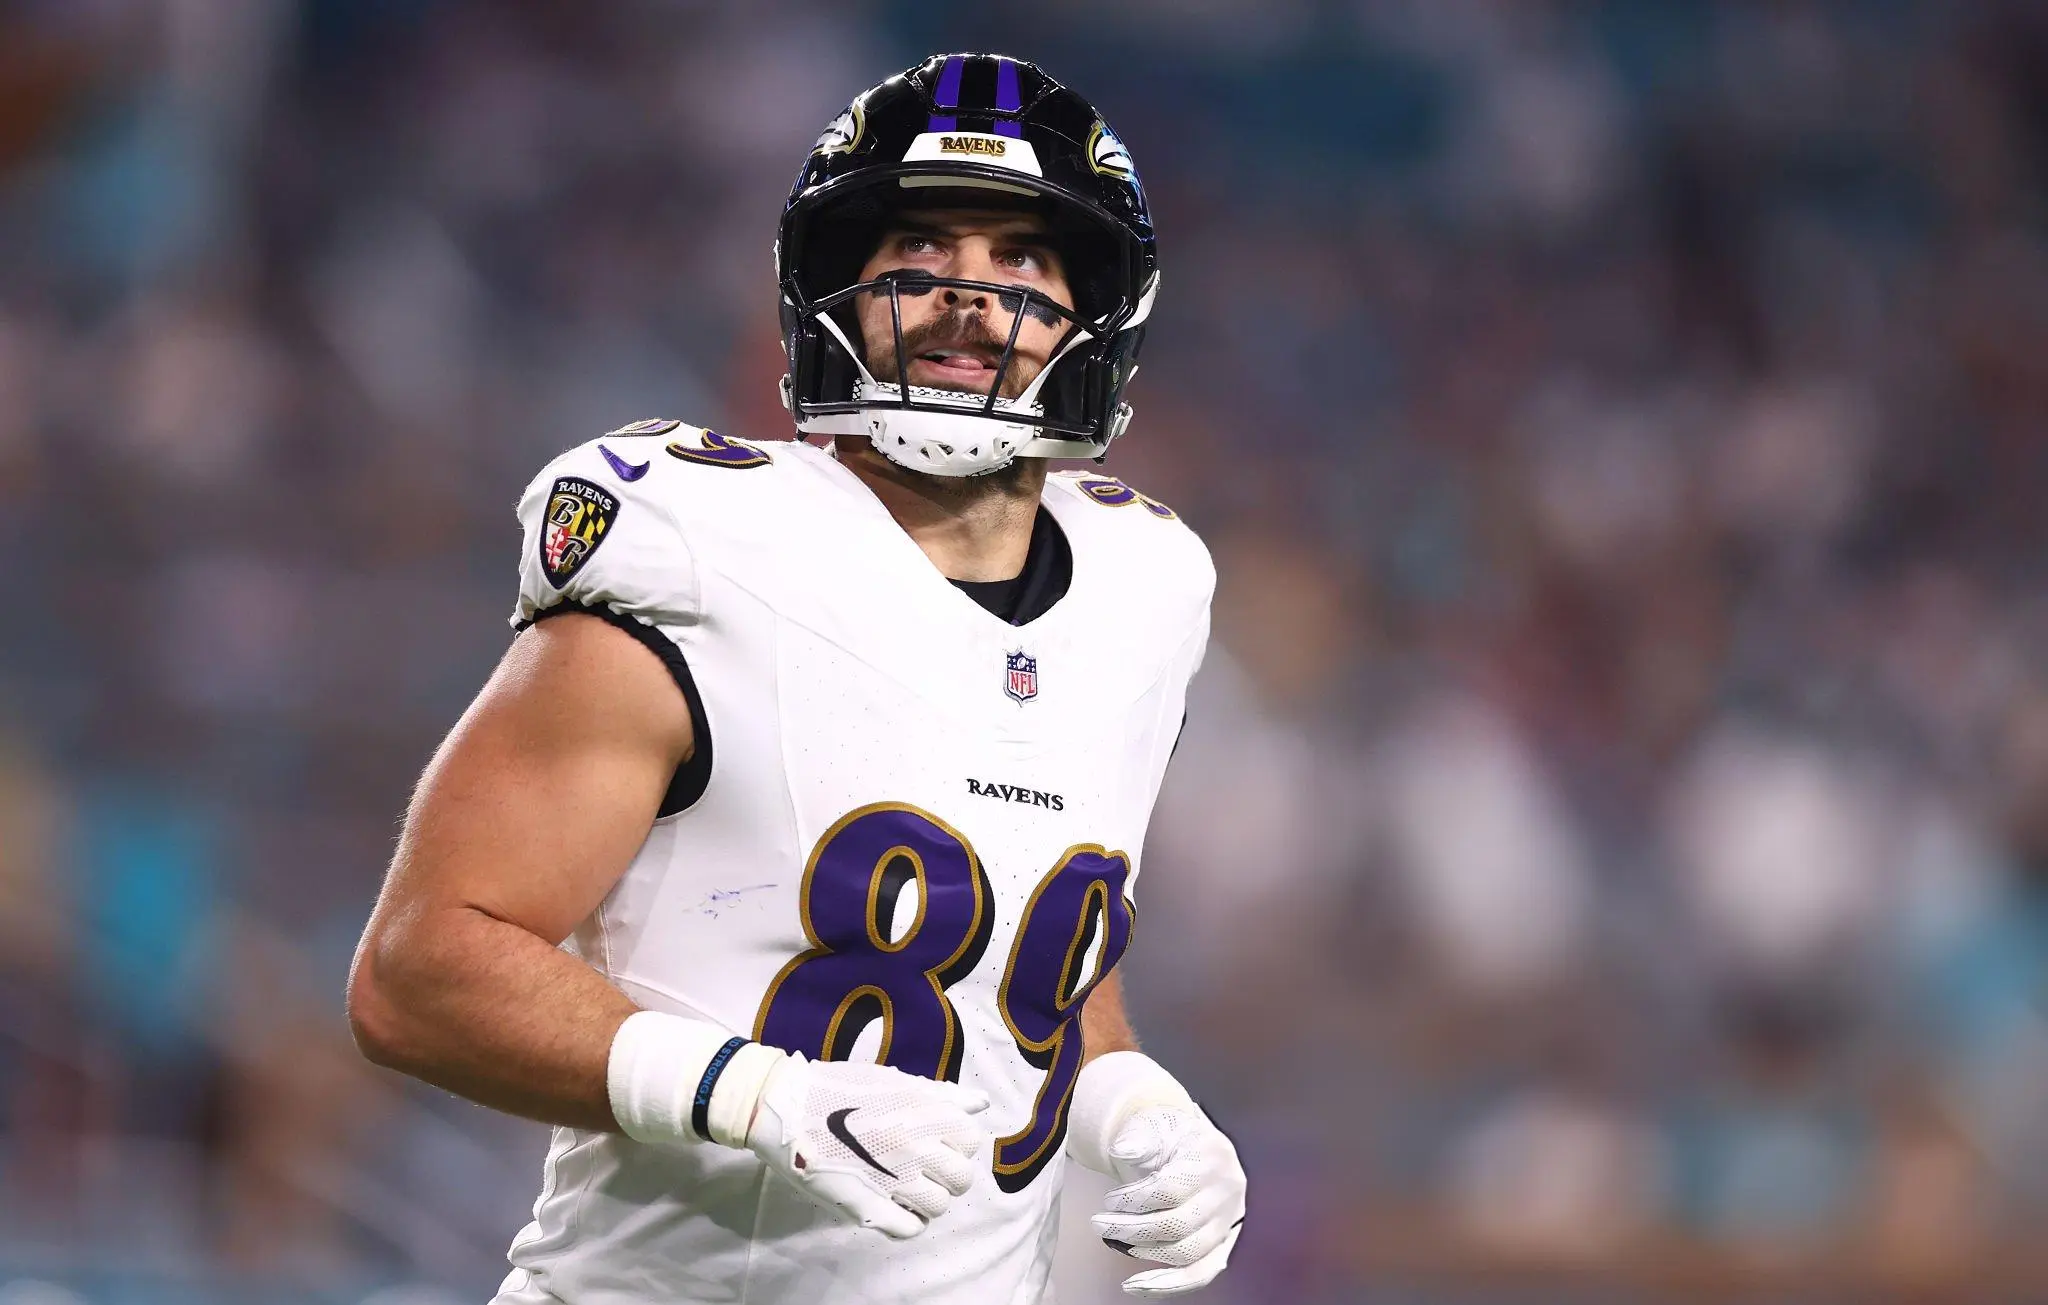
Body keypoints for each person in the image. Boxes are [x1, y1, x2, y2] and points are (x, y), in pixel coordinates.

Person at [347, 53, 1246, 1305]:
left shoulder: (1145, 587)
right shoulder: (706, 550)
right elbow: (419, 971)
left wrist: (1126, 1098)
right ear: (836, 288)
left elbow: (1007, 942)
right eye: (919, 249)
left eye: (1019, 265)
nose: (964, 298)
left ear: (1093, 313)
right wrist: (748, 1093)